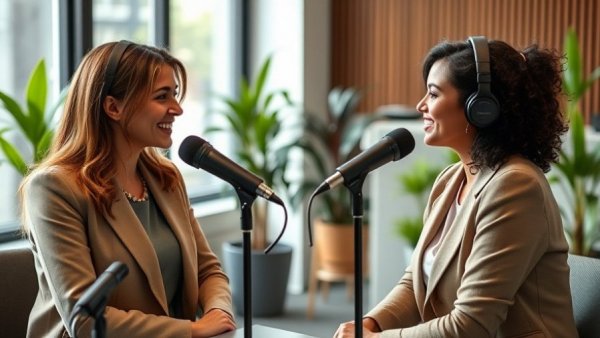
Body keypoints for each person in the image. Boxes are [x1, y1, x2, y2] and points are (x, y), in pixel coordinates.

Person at [335, 36, 578, 337]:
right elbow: (416, 283)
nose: (420, 105)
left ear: (480, 108)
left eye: (434, 94)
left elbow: (471, 325)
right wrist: (370, 324)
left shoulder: (516, 186)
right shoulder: (450, 181)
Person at [19, 40, 236, 338]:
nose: (177, 109)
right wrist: (192, 330)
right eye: (162, 96)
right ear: (113, 107)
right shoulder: (54, 188)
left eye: (174, 94)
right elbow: (84, 320)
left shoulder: (166, 177)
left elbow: (207, 271)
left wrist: (217, 311)